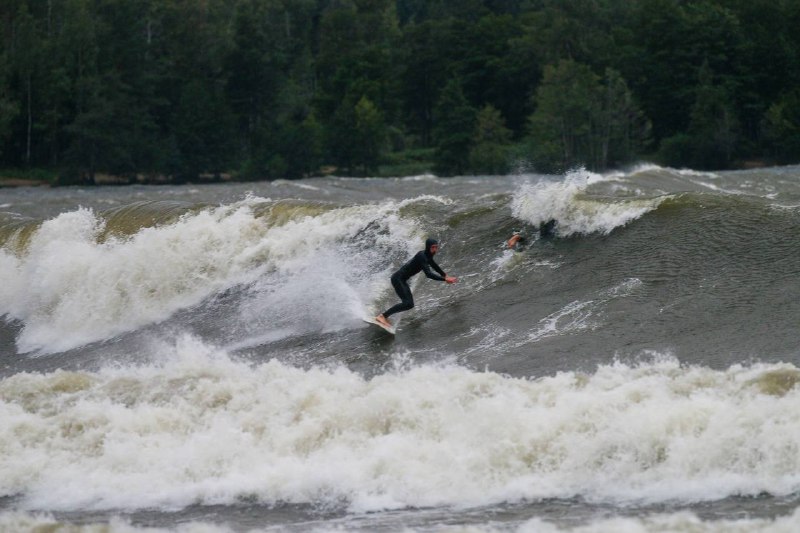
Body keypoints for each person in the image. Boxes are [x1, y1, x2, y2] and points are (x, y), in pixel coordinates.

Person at [375, 238, 457, 327]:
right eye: (433, 247)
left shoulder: (427, 255)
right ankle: (382, 316)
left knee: (409, 304)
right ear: (428, 247)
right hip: (398, 279)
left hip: (401, 279)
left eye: (436, 247)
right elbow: (428, 274)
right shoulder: (422, 256)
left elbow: (434, 265)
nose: (435, 250)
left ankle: (384, 316)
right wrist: (444, 280)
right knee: (408, 303)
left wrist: (445, 275)